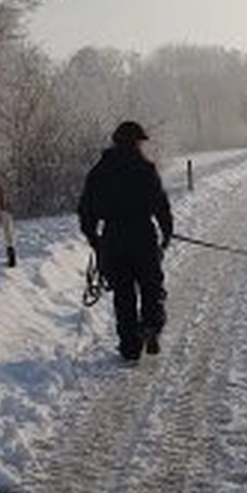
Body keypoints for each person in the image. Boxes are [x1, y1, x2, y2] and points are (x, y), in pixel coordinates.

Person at [77, 120, 173, 361]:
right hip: (143, 236)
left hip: (114, 238)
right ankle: (151, 326)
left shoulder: (100, 172)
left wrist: (94, 238)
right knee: (151, 287)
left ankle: (130, 348)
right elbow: (160, 205)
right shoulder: (146, 169)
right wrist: (166, 232)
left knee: (123, 295)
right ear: (137, 143)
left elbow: (85, 209)